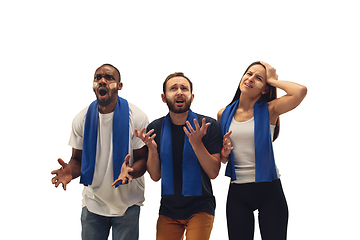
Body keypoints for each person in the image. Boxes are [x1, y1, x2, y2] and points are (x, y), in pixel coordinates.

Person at [51, 64, 149, 240]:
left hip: (127, 205)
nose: (102, 80)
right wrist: (70, 172)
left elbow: (143, 158)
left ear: (119, 85)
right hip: (93, 204)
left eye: (109, 77)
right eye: (98, 77)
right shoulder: (81, 119)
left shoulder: (137, 117)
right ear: (93, 84)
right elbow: (77, 159)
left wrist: (131, 171)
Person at [218, 61, 307, 240]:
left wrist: (273, 80)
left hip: (269, 189)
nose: (250, 79)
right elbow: (223, 159)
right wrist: (224, 153)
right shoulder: (223, 114)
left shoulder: (270, 110)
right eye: (249, 74)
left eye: (258, 78)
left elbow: (300, 91)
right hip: (238, 191)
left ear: (265, 89)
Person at [135, 72, 222, 240]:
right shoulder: (155, 128)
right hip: (169, 209)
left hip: (200, 206)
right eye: (173, 88)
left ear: (192, 96)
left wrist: (197, 143)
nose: (179, 92)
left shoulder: (208, 126)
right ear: (163, 97)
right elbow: (155, 176)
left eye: (184, 88)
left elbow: (213, 172)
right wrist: (152, 150)